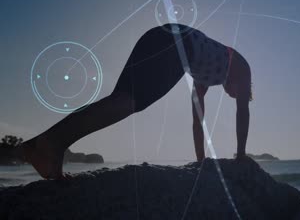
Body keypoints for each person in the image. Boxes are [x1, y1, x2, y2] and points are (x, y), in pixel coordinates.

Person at [17, 23, 253, 179]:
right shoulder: (240, 65)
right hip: (176, 45)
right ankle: (51, 144)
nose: (235, 96)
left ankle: (43, 144)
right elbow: (242, 113)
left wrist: (200, 162)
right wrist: (241, 155)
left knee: (120, 100)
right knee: (128, 102)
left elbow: (197, 121)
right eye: (238, 94)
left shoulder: (206, 77)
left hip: (159, 36)